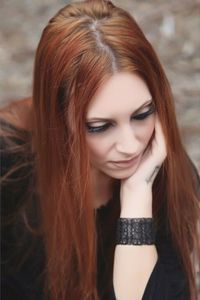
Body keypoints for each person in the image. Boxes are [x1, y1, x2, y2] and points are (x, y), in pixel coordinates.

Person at [1, 0, 200, 299]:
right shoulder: (8, 166)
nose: (131, 145)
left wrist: (136, 199)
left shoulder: (162, 173)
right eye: (99, 126)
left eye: (142, 114)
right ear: (57, 119)